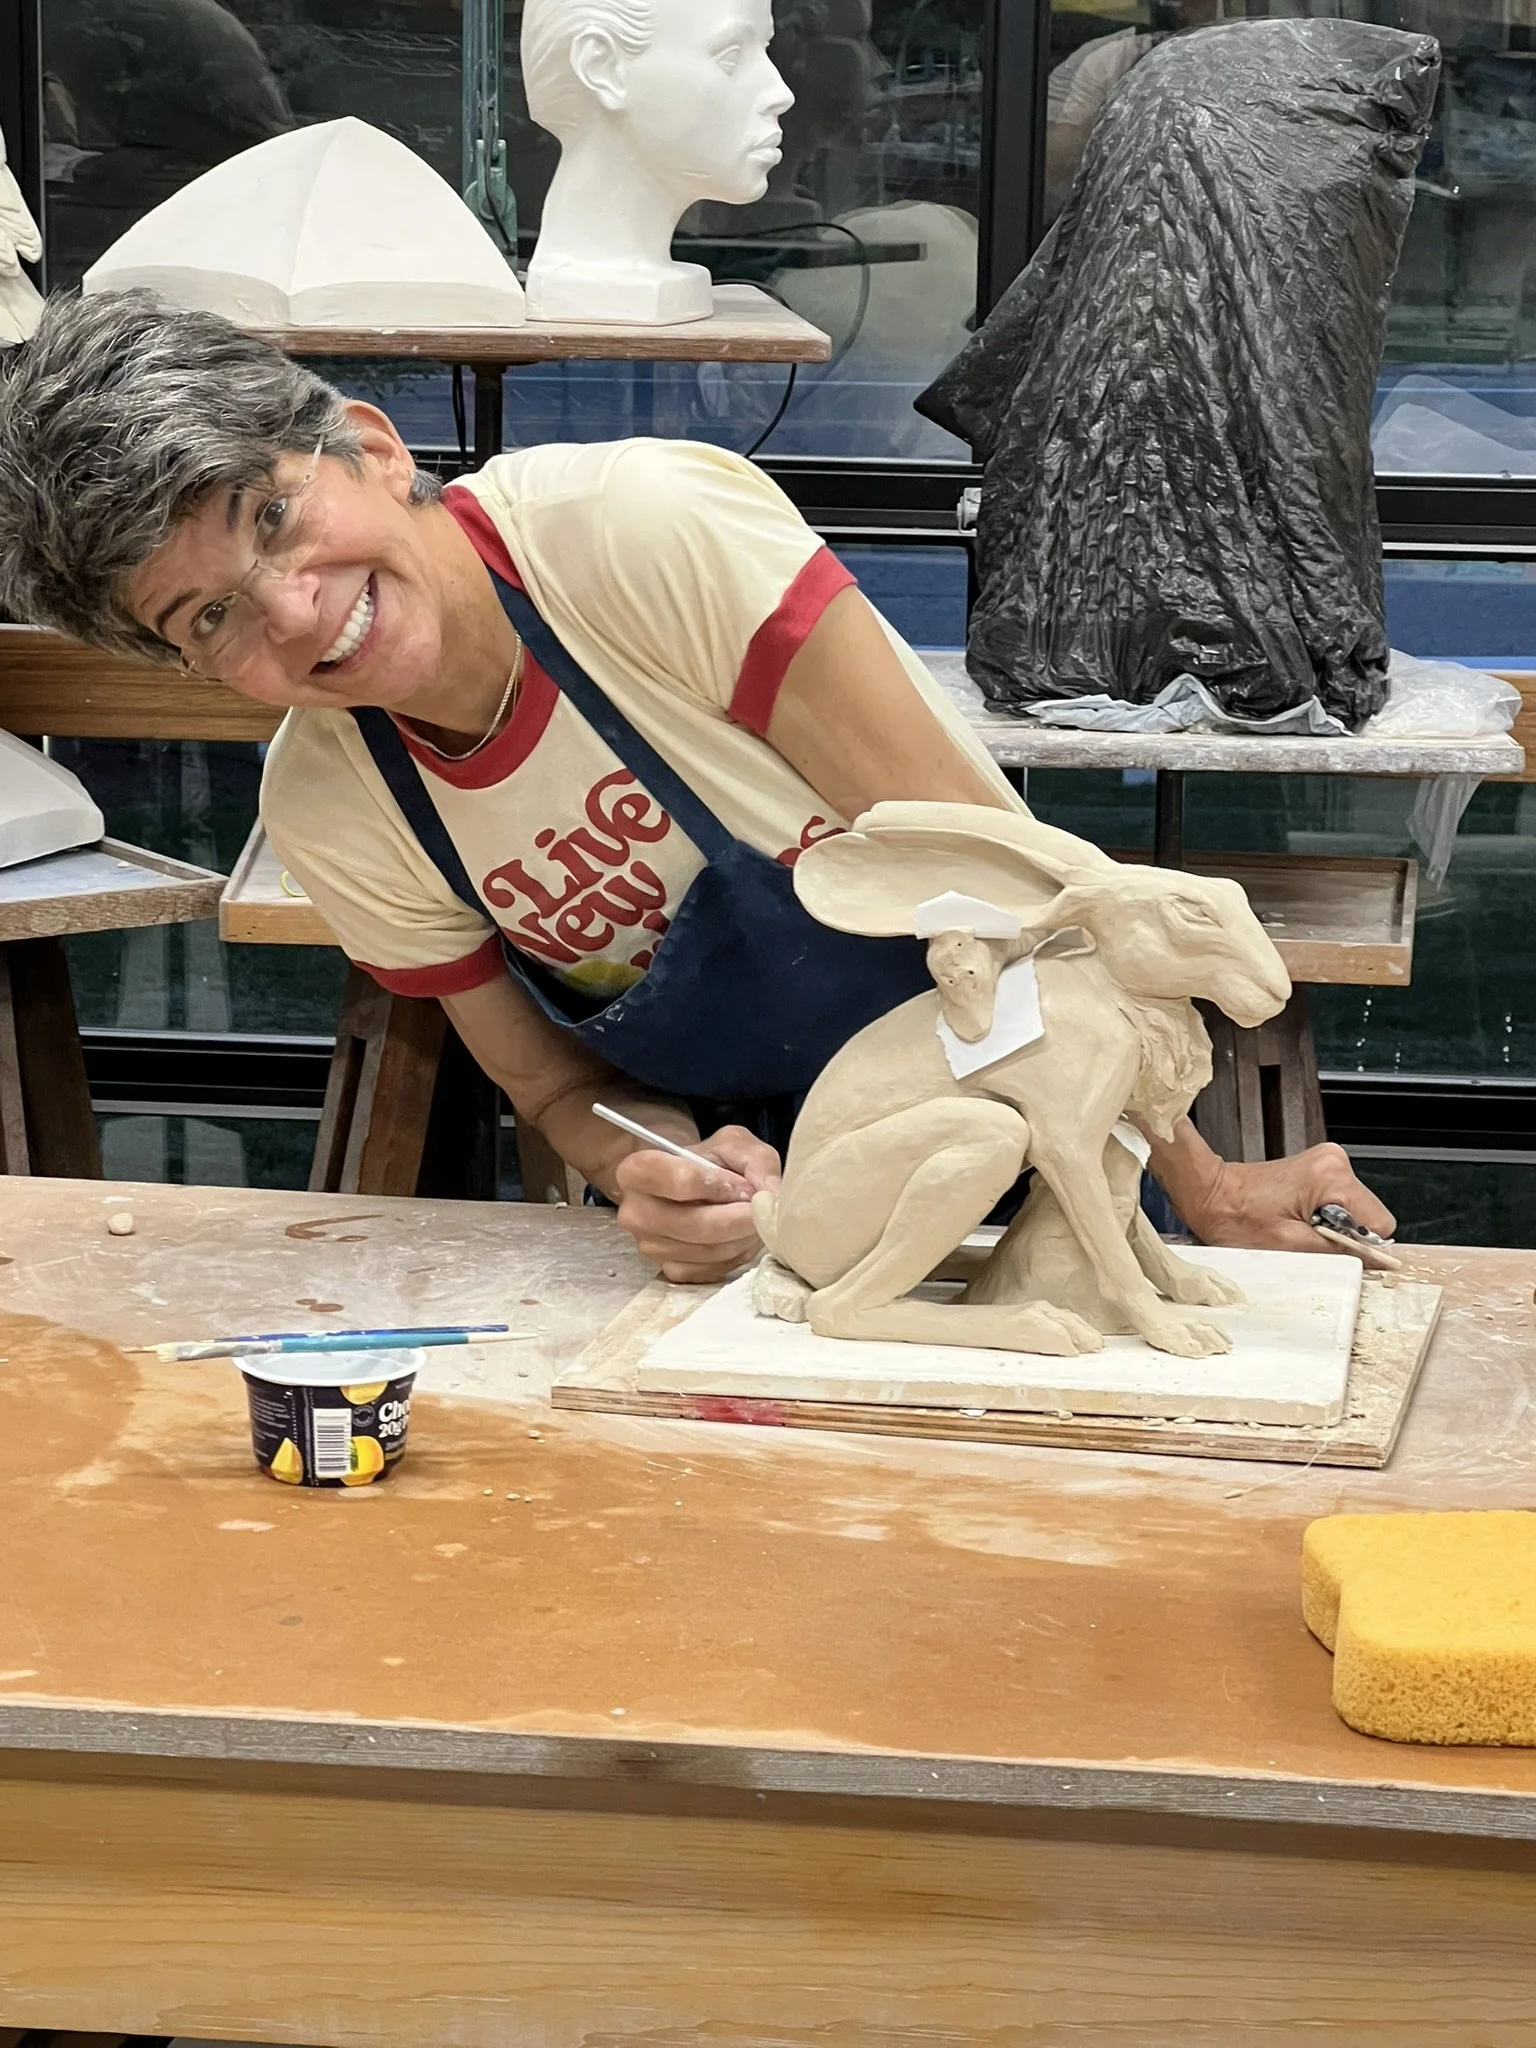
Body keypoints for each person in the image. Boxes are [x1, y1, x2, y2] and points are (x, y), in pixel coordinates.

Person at [0, 290, 1393, 1279]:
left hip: (1052, 1096)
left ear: (371, 447)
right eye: (210, 620)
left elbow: (1003, 887)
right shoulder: (337, 807)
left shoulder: (641, 537)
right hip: (799, 1227)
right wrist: (658, 1172)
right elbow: (554, 1090)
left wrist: (1200, 1184)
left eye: (274, 521)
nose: (293, 614)